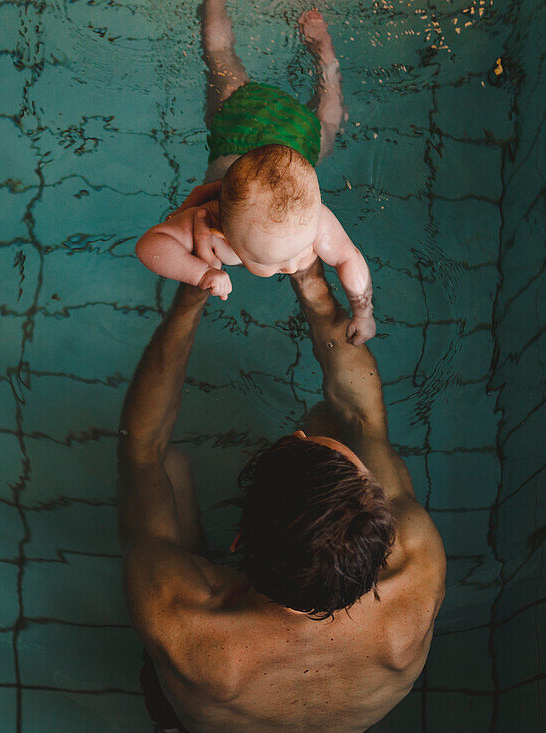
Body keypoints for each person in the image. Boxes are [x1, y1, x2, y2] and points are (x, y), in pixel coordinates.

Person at [116, 261, 446, 732]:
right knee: (336, 423)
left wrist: (190, 297)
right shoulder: (416, 568)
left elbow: (140, 449)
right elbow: (363, 418)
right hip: (350, 697)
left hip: (216, 685)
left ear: (239, 539)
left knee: (165, 468)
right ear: (380, 533)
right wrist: (307, 271)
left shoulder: (178, 614)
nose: (298, 431)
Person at [134, 5, 375, 345]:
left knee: (226, 63)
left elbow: (350, 258)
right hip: (243, 123)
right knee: (223, 60)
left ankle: (323, 52)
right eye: (277, 264)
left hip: (290, 136)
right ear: (223, 233)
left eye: (294, 255)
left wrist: (364, 311)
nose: (294, 266)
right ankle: (323, 54)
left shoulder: (314, 220)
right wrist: (199, 273)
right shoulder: (213, 219)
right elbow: (149, 247)